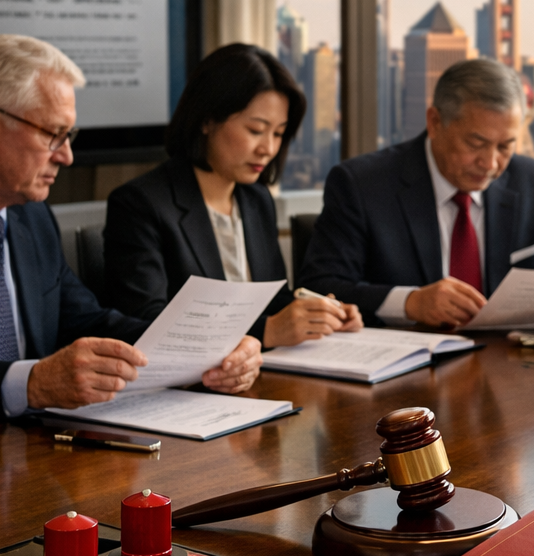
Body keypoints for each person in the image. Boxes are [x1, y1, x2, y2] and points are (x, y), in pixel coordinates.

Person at [0, 35, 261, 421]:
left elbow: (88, 322)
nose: (66, 156)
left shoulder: (30, 217)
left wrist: (213, 350)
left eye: (69, 136)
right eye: (53, 134)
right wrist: (29, 383)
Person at [297, 58, 534, 329]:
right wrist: (410, 302)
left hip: (509, 373)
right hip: (403, 382)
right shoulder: (362, 185)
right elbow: (319, 287)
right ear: (435, 122)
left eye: (505, 146)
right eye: (475, 144)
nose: (490, 163)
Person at [104, 43, 362, 346]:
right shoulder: (140, 205)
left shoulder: (256, 200)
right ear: (207, 120)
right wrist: (266, 332)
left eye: (278, 134)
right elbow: (148, 323)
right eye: (255, 130)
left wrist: (320, 313)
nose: (268, 148)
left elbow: (272, 300)